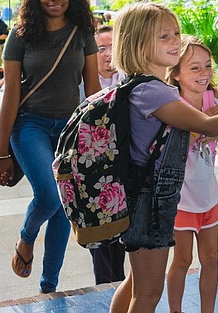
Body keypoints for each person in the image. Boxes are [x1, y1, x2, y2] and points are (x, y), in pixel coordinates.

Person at [107, 1, 218, 313]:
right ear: (137, 42)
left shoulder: (135, 85)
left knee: (137, 283)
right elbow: (207, 125)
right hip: (151, 200)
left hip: (143, 196)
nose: (175, 40)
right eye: (164, 36)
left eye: (175, 33)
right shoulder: (153, 91)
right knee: (148, 294)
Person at [0, 0, 101, 295]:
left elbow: (93, 89)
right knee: (49, 196)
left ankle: (48, 286)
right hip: (30, 125)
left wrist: (96, 139)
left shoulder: (82, 32)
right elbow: (10, 95)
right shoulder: (21, 35)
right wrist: (0, 153)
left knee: (63, 208)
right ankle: (26, 238)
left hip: (69, 129)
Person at [166, 37, 218, 313]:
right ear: (176, 73)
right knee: (182, 260)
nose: (204, 73)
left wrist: (213, 126)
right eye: (194, 68)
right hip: (181, 198)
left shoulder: (214, 98)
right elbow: (179, 137)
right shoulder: (170, 103)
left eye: (207, 66)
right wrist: (208, 125)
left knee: (212, 258)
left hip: (208, 194)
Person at [89, 24, 126, 285]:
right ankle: (106, 292)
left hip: (124, 169)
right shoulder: (83, 82)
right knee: (100, 243)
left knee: (123, 241)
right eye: (101, 48)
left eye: (112, 46)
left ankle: (121, 288)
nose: (107, 53)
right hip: (94, 172)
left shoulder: (131, 81)